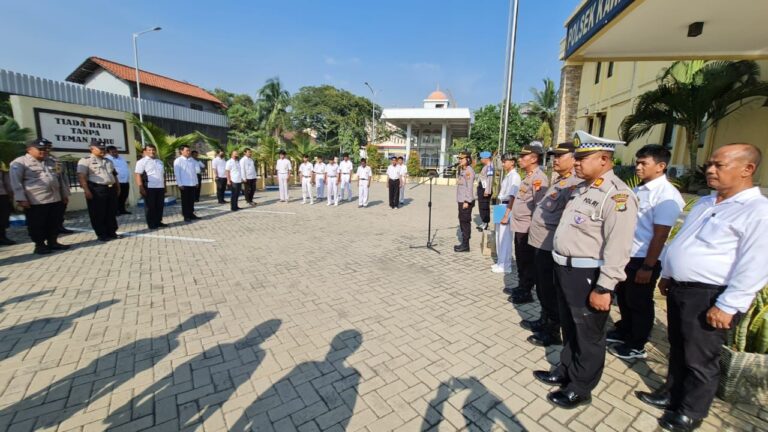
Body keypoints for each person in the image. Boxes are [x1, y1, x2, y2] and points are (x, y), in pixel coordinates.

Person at [650, 144, 768, 432]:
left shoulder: (758, 211)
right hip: (681, 288)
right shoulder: (706, 202)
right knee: (678, 347)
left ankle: (692, 411)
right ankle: (672, 393)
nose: (710, 170)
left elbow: (756, 263)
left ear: (747, 169)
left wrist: (729, 305)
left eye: (719, 165)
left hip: (710, 295)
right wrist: (666, 273)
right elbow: (682, 242)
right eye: (709, 165)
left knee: (700, 358)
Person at [533, 131, 638, 410]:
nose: (576, 163)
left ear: (604, 159)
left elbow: (619, 246)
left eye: (582, 158)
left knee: (588, 333)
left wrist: (605, 287)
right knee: (570, 326)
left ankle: (580, 387)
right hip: (564, 269)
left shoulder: (617, 196)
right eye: (575, 158)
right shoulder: (582, 189)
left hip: (588, 274)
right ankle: (565, 370)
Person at [607, 145, 685, 360]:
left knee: (639, 301)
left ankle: (637, 343)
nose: (638, 167)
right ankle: (625, 330)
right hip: (627, 254)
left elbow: (660, 235)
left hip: (644, 258)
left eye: (644, 163)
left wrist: (648, 267)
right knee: (623, 296)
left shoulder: (667, 195)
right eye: (637, 162)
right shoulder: (640, 189)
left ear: (661, 166)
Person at [525, 142, 582, 347]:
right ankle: (544, 319)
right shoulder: (560, 181)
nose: (555, 159)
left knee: (549, 289)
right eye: (554, 156)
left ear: (574, 158)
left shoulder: (575, 184)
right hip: (540, 241)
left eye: (560, 156)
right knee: (542, 287)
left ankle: (552, 331)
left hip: (550, 244)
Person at [505, 143, 549, 305]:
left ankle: (526, 291)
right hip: (520, 226)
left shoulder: (538, 179)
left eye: (524, 156)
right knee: (522, 260)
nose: (520, 159)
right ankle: (521, 285)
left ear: (534, 158)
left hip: (528, 227)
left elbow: (539, 206)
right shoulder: (529, 176)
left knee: (527, 261)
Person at [9, 138, 70, 253]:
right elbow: (16, 182)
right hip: (36, 200)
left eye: (46, 149)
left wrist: (64, 195)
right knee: (37, 224)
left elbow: (60, 178)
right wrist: (21, 199)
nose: (44, 151)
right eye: (40, 149)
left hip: (55, 198)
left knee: (55, 222)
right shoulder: (20, 162)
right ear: (29, 150)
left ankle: (53, 242)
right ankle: (40, 245)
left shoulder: (52, 161)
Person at [78, 140, 121, 242]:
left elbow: (114, 175)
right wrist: (86, 190)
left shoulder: (108, 161)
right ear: (92, 149)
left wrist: (118, 187)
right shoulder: (85, 161)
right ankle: (101, 234)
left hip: (111, 188)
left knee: (111, 212)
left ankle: (112, 232)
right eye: (100, 149)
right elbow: (81, 176)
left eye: (103, 149)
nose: (103, 150)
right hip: (97, 189)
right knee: (98, 213)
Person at [493, 153, 521, 273]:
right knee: (499, 235)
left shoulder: (514, 177)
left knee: (505, 238)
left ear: (512, 162)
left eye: (505, 161)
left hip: (507, 206)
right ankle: (500, 262)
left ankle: (506, 265)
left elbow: (513, 197)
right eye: (503, 161)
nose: (503, 163)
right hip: (501, 204)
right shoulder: (507, 175)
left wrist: (506, 214)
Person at [134, 144, 166, 230]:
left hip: (160, 187)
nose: (152, 152)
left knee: (159, 206)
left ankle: (158, 221)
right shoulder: (141, 162)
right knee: (150, 207)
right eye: (149, 150)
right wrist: (141, 187)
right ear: (146, 151)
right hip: (149, 187)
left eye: (153, 150)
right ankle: (151, 223)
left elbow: (163, 175)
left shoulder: (160, 162)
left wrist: (165, 186)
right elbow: (138, 175)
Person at [455, 151, 475, 252]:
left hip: (465, 201)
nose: (460, 160)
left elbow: (469, 187)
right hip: (461, 200)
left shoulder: (469, 171)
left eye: (462, 159)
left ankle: (466, 245)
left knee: (465, 222)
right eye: (459, 158)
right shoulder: (462, 170)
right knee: (462, 221)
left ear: (468, 159)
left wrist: (467, 201)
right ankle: (463, 243)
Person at [174, 145, 200, 222]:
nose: (189, 152)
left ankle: (191, 214)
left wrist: (196, 182)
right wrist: (180, 184)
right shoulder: (178, 161)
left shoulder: (192, 160)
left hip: (192, 183)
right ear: (181, 151)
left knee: (191, 200)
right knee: (185, 201)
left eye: (189, 150)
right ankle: (186, 215)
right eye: (187, 150)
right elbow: (177, 173)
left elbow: (194, 172)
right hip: (184, 184)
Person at [105, 146, 131, 215]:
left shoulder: (121, 158)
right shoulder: (107, 159)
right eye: (112, 152)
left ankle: (122, 210)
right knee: (116, 197)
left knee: (124, 196)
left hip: (125, 181)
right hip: (116, 182)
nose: (115, 153)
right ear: (108, 152)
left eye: (116, 151)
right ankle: (115, 211)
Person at [476, 151, 494, 231]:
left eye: (481, 158)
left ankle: (485, 223)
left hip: (485, 189)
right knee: (482, 206)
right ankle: (484, 222)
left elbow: (490, 179)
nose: (481, 160)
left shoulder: (490, 166)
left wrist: (487, 190)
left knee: (484, 206)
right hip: (482, 188)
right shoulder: (486, 166)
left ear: (486, 158)